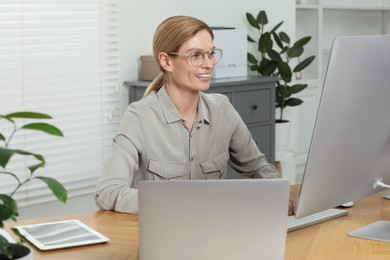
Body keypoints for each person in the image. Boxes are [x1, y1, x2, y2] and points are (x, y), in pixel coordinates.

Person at [94, 15, 296, 215]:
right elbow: (108, 191)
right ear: (166, 61)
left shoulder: (222, 109)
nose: (208, 64)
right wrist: (175, 202)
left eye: (211, 53)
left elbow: (258, 167)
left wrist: (278, 192)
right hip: (164, 234)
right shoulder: (139, 117)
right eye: (196, 55)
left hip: (217, 232)